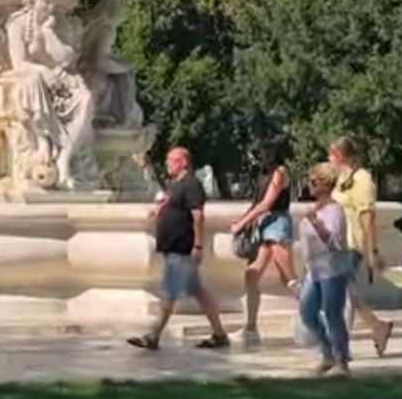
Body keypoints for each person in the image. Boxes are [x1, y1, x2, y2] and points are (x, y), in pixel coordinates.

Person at [128, 146, 229, 351]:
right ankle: (219, 334)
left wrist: (198, 245)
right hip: (173, 247)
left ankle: (153, 335)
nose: (167, 164)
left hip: (181, 248)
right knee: (198, 292)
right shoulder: (177, 185)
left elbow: (198, 216)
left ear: (183, 162)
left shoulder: (192, 185)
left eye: (171, 160)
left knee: (169, 293)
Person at [328, 137, 394, 357]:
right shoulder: (341, 179)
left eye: (331, 154)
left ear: (340, 155)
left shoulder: (363, 179)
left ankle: (340, 349)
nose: (329, 159)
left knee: (343, 295)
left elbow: (367, 217)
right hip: (335, 245)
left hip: (350, 245)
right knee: (347, 293)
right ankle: (378, 326)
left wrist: (372, 250)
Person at [229, 138, 299, 342]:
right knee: (251, 275)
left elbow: (267, 203)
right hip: (265, 225)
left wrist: (241, 223)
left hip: (277, 225)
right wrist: (247, 220)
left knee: (289, 277)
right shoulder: (265, 173)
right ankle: (250, 328)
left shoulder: (280, 172)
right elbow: (258, 202)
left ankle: (319, 318)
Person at [296, 162, 356, 375]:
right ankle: (327, 351)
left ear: (324, 184)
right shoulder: (316, 208)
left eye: (313, 182)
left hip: (332, 269)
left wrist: (317, 225)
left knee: (333, 313)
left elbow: (335, 243)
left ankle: (341, 360)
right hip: (314, 270)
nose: (309, 186)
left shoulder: (334, 210)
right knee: (307, 311)